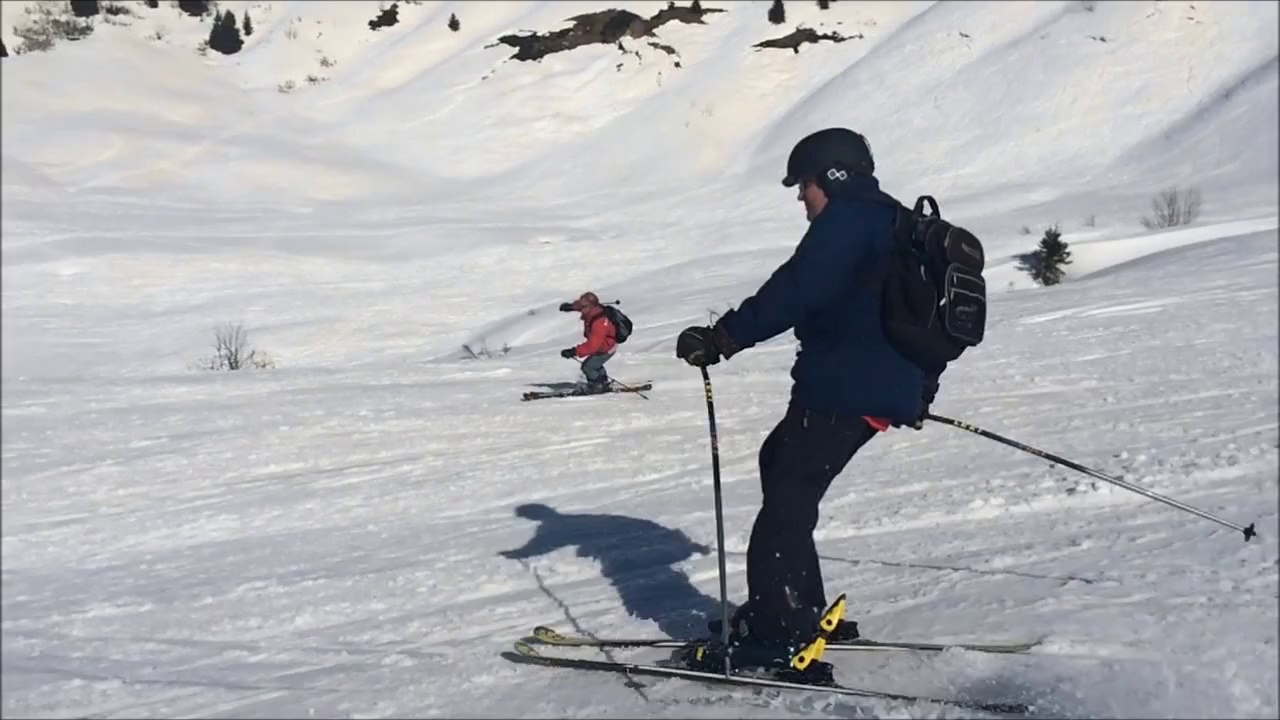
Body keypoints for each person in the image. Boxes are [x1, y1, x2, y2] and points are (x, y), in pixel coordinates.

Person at [673, 128, 940, 677]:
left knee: (787, 495)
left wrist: (723, 337)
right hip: (868, 385)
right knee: (783, 466)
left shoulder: (850, 219)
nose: (801, 197)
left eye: (805, 185)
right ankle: (797, 605)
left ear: (832, 177)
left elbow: (799, 288)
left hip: (847, 388)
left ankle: (780, 628)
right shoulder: (890, 218)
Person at [558, 291, 617, 393]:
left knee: (588, 367)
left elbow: (592, 346)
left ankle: (597, 385)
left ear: (590, 307)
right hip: (602, 345)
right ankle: (603, 382)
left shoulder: (600, 323)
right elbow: (581, 305)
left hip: (607, 347)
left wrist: (574, 351)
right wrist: (570, 307)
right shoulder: (593, 310)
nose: (581, 310)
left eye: (583, 307)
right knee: (595, 365)